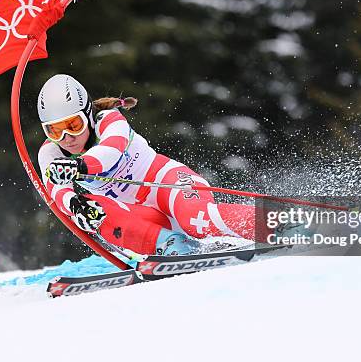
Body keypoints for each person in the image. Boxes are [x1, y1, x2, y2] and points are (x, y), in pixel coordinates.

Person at [37, 74, 255, 256]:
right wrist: (74, 204)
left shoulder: (109, 119)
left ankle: (276, 223)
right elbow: (56, 191)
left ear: (88, 115)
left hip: (169, 186)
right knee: (91, 211)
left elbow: (110, 152)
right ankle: (173, 246)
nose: (66, 137)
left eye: (74, 125)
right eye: (54, 130)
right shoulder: (50, 153)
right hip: (144, 218)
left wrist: (79, 166)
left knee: (196, 219)